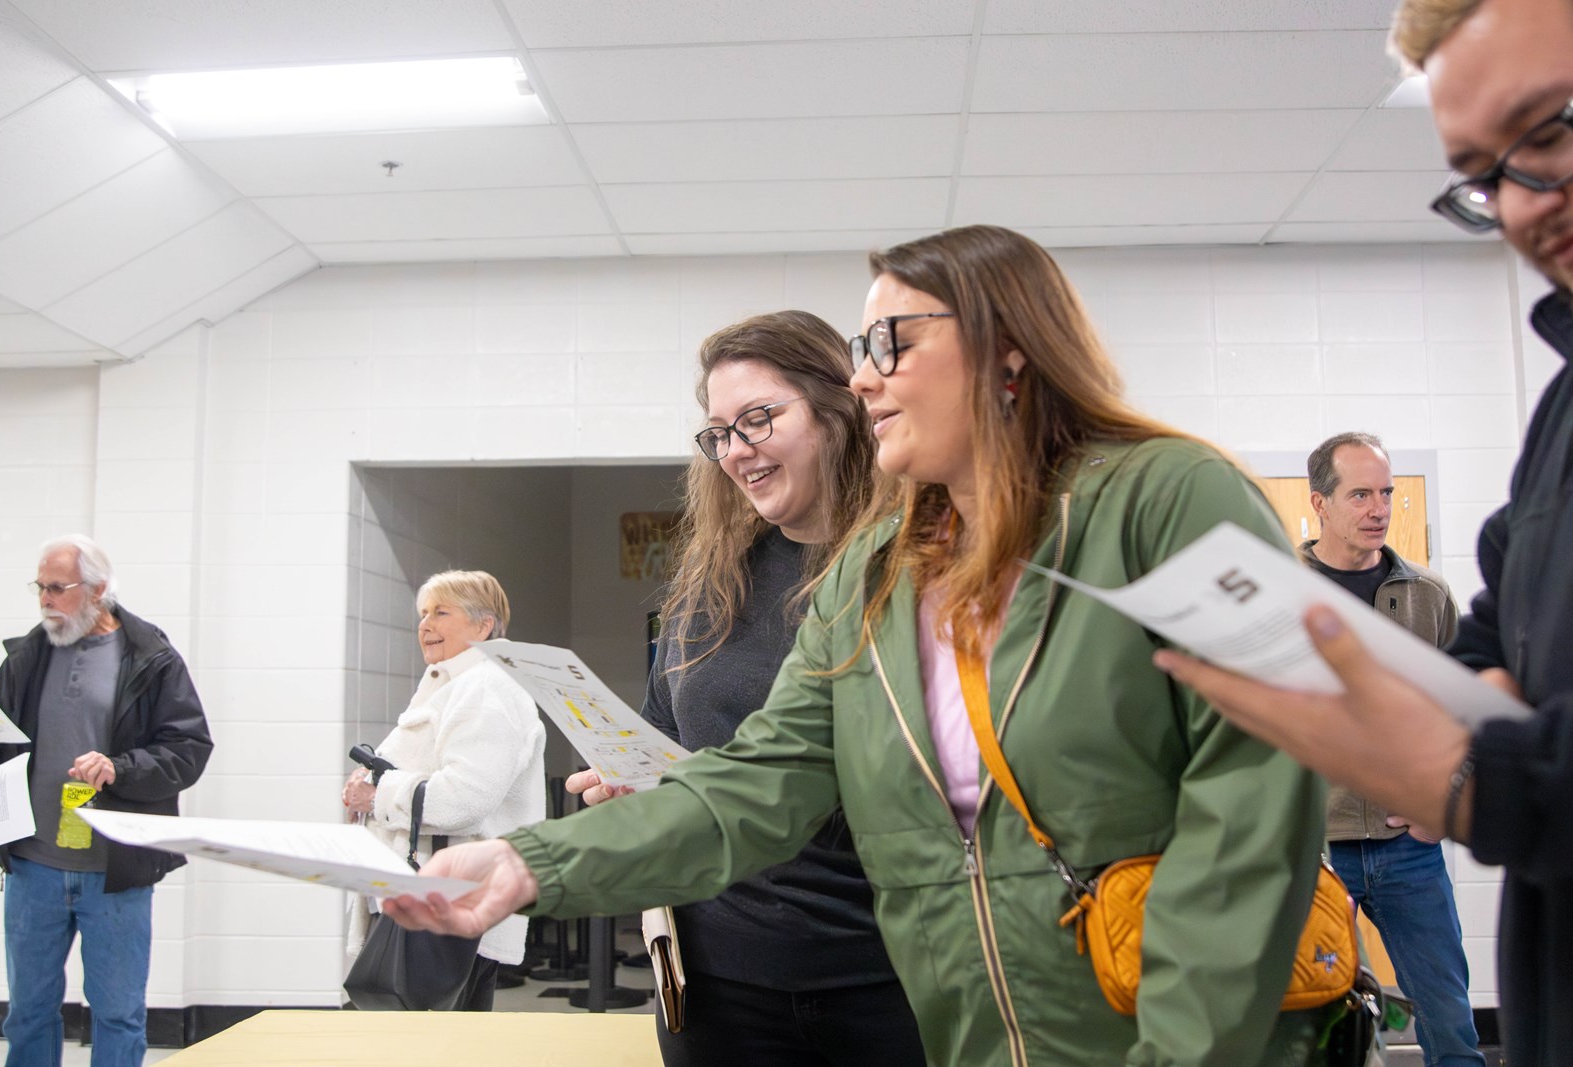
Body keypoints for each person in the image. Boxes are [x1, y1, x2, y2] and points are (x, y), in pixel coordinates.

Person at [387, 226, 1328, 1067]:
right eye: (857, 351)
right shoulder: (874, 570)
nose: (864, 376)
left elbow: (1258, 805)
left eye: (890, 343)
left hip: (1153, 1031)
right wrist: (531, 863)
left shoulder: (1178, 497)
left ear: (1009, 350)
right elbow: (761, 778)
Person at [1153, 0, 1573, 1061]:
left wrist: (1464, 772)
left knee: (1440, 1012)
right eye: (1483, 175)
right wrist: (1476, 705)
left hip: (1420, 845)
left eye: (1550, 131)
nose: (1524, 205)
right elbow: (1499, 623)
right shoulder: (1560, 411)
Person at [564, 310, 925, 1065]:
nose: (736, 449)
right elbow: (666, 734)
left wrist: (707, 786)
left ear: (840, 409)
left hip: (893, 979)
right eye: (720, 431)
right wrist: (635, 784)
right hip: (718, 983)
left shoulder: (916, 571)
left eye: (757, 418)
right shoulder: (708, 590)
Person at [0, 535, 212, 1067]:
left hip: (116, 870)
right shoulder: (28, 655)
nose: (45, 600)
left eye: (57, 588)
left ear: (99, 590)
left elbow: (188, 750)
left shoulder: (152, 658)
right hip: (33, 867)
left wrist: (119, 768)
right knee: (29, 1013)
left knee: (118, 1013)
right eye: (40, 587)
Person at [1300, 432, 1482, 1067]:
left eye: (1386, 493)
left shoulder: (1426, 596)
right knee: (1314, 1028)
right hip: (1311, 852)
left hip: (1409, 853)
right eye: (1360, 494)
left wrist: (1447, 797)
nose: (1378, 508)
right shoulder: (1277, 594)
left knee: (1451, 1024)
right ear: (1320, 503)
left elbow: (1465, 709)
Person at [341, 570, 545, 1011]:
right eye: (422, 614)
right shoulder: (452, 683)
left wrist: (377, 796)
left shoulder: (489, 686)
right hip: (426, 900)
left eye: (441, 612)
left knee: (436, 1046)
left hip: (452, 908)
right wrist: (372, 780)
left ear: (483, 625)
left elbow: (464, 798)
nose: (425, 624)